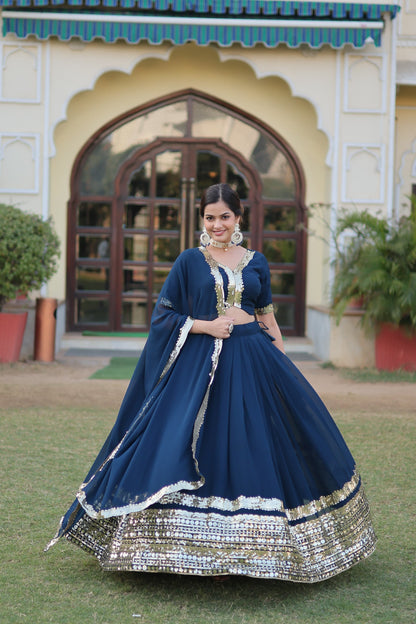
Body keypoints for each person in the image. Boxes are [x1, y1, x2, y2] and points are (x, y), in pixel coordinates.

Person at [46, 183, 376, 582]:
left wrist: (282, 365)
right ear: (201, 218)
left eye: (224, 216)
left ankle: (255, 549)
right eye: (209, 217)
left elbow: (267, 315)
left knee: (255, 444)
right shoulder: (189, 261)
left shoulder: (257, 261)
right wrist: (204, 325)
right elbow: (163, 315)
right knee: (199, 442)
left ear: (239, 217)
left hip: (256, 359)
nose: (217, 224)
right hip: (203, 363)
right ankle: (189, 547)